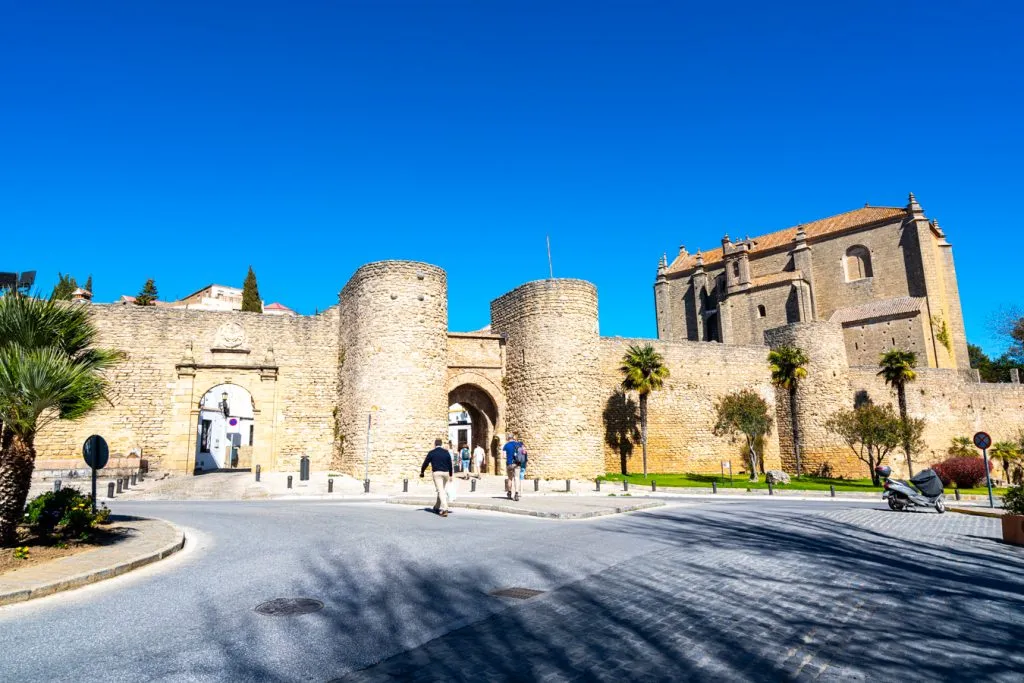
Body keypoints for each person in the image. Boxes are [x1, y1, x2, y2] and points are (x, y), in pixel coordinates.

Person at [420, 438, 454, 517]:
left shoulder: (432, 453)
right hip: (446, 473)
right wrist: (451, 474)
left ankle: (445, 509)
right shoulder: (446, 452)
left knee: (440, 491)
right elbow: (450, 464)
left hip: (437, 473)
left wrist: (422, 472)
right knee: (441, 490)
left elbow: (425, 463)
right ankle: (436, 507)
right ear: (441, 444)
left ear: (435, 444)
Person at [502, 435, 523, 501]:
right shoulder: (519, 444)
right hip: (517, 463)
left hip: (510, 464)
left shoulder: (506, 445)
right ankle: (516, 493)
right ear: (513, 438)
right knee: (517, 478)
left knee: (510, 478)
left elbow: (504, 456)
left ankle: (509, 493)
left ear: (508, 438)